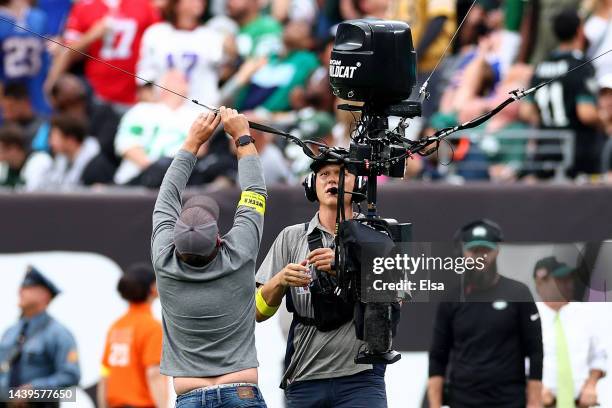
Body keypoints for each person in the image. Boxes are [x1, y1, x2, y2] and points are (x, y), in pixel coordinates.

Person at [151, 107, 267, 408]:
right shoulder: (239, 252)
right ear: (219, 239)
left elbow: (166, 196)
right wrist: (242, 136)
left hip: (188, 395)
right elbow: (254, 190)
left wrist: (192, 141)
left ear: (174, 239)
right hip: (241, 389)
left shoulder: (164, 259)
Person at [255, 156, 387, 408]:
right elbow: (258, 312)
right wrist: (280, 280)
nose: (331, 180)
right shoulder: (291, 237)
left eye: (340, 173)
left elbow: (396, 298)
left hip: (360, 377)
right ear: (311, 184)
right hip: (305, 376)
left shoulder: (377, 235)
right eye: (324, 174)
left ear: (358, 184)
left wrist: (345, 268)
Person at [428, 219, 543, 408]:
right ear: (463, 253)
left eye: (485, 251)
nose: (480, 257)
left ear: (497, 251)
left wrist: (534, 402)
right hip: (463, 400)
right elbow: (437, 356)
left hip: (509, 400)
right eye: (474, 251)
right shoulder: (451, 299)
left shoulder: (519, 293)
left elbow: (535, 351)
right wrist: (434, 405)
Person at [520, 8, 601, 178]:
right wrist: (605, 124)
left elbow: (526, 111)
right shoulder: (581, 65)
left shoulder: (541, 66)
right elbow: (586, 113)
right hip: (577, 154)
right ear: (579, 31)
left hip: (545, 150)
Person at [46, 0, 160, 108]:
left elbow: (160, 42)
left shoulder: (144, 4)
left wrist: (148, 87)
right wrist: (91, 36)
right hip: (96, 95)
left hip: (135, 94)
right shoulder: (84, 6)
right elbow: (67, 53)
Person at [0, 266, 80, 408]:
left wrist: (34, 391)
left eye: (28, 287)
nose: (20, 291)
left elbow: (71, 377)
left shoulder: (58, 334)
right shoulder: (10, 332)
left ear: (44, 295)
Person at [533, 257, 607, 408]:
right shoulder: (526, 317)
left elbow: (598, 356)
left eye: (569, 279)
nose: (568, 284)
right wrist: (533, 389)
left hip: (580, 404)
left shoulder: (584, 314)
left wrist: (591, 385)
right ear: (540, 284)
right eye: (560, 280)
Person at [137, 0, 232, 107]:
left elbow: (225, 73)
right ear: (176, 4)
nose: (199, 2)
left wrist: (231, 53)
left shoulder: (211, 36)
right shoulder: (156, 33)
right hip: (165, 111)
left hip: (201, 112)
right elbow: (145, 82)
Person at [98, 263, 167, 408]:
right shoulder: (152, 327)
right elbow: (154, 374)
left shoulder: (116, 326)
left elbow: (105, 374)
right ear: (153, 289)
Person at [0, 0, 51, 114]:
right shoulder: (38, 17)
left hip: (35, 92)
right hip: (10, 95)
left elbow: (47, 58)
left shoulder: (38, 17)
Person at [46, 113, 114, 189]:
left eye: (54, 137)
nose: (50, 142)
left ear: (71, 140)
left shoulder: (97, 167)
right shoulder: (61, 161)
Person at [0, 124, 52, 190]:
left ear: (14, 148)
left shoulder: (39, 160)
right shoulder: (3, 165)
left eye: (1, 149)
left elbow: (32, 194)